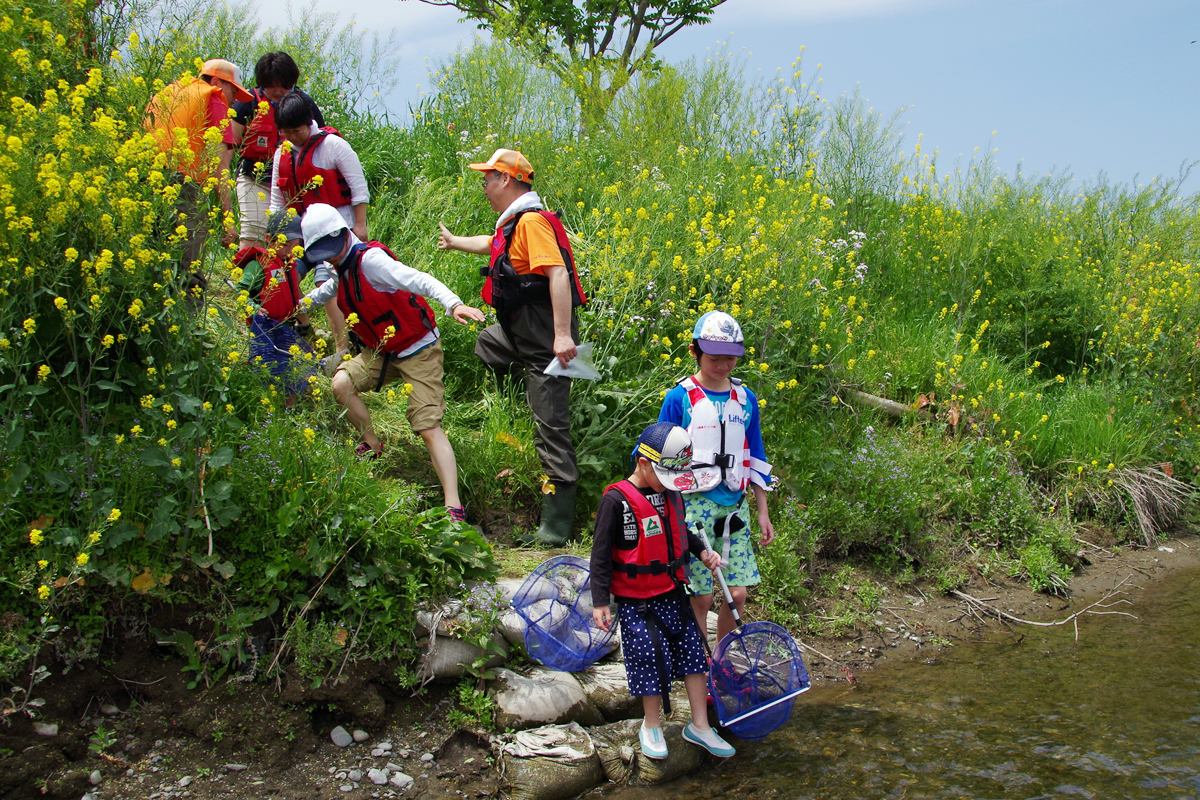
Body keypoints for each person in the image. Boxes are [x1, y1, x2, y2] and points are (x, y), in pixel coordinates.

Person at [437, 148, 587, 545]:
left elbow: (556, 274)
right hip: (519, 336)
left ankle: (554, 531)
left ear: (506, 179)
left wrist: (562, 336)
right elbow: (491, 244)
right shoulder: (513, 225)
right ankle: (503, 406)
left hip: (546, 348)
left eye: (487, 180)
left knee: (550, 430)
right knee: (488, 343)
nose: (484, 187)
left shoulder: (532, 223)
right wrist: (453, 243)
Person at [300, 204, 485, 521]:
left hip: (418, 348)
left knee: (427, 426)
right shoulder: (341, 268)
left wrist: (453, 303)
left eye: (331, 248)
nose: (329, 256)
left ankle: (453, 506)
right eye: (322, 252)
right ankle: (371, 444)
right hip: (383, 349)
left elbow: (420, 280)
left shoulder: (370, 261)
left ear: (344, 234)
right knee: (342, 384)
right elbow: (327, 292)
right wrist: (292, 306)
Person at [590, 422, 735, 761]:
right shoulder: (616, 501)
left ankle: (700, 725)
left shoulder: (670, 492)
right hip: (637, 601)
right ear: (643, 462)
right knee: (647, 658)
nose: (671, 485)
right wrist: (600, 601)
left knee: (694, 654)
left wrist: (701, 550)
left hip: (673, 592)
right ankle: (651, 724)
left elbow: (680, 531)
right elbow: (600, 555)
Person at [657, 311, 775, 647]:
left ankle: (721, 661)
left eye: (730, 360)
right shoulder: (679, 398)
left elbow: (756, 456)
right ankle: (700, 664)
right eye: (714, 359)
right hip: (692, 508)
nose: (722, 366)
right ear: (694, 351)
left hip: (734, 510)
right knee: (702, 597)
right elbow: (657, 453)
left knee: (737, 594)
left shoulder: (745, 400)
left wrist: (762, 509)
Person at [144, 59, 252, 300]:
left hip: (147, 183)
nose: (234, 99)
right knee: (188, 273)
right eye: (233, 90)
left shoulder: (167, 93)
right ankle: (188, 332)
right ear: (215, 81)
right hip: (184, 188)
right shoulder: (212, 97)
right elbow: (220, 164)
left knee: (155, 266)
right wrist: (228, 219)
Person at [270, 92, 368, 353]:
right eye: (285, 132)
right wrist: (275, 238)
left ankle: (342, 349)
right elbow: (276, 202)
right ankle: (303, 329)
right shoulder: (283, 154)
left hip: (335, 231)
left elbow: (359, 188)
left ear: (309, 122)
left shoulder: (334, 145)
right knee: (283, 277)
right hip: (299, 233)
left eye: (297, 131)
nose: (291, 137)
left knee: (325, 285)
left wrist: (360, 225)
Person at [231, 51, 325, 251]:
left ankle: (281, 281)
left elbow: (322, 142)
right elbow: (228, 143)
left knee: (287, 241)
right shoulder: (247, 103)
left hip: (292, 184)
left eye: (283, 85)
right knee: (252, 233)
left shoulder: (305, 104)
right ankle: (247, 280)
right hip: (253, 178)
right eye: (271, 85)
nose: (277, 91)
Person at [232, 242, 316, 408]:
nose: (289, 250)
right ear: (270, 239)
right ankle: (265, 409)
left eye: (294, 246)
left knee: (292, 367)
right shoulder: (259, 265)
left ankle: (288, 410)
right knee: (265, 368)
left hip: (287, 326)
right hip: (264, 327)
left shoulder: (287, 263)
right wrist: (254, 308)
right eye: (285, 244)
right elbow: (241, 291)